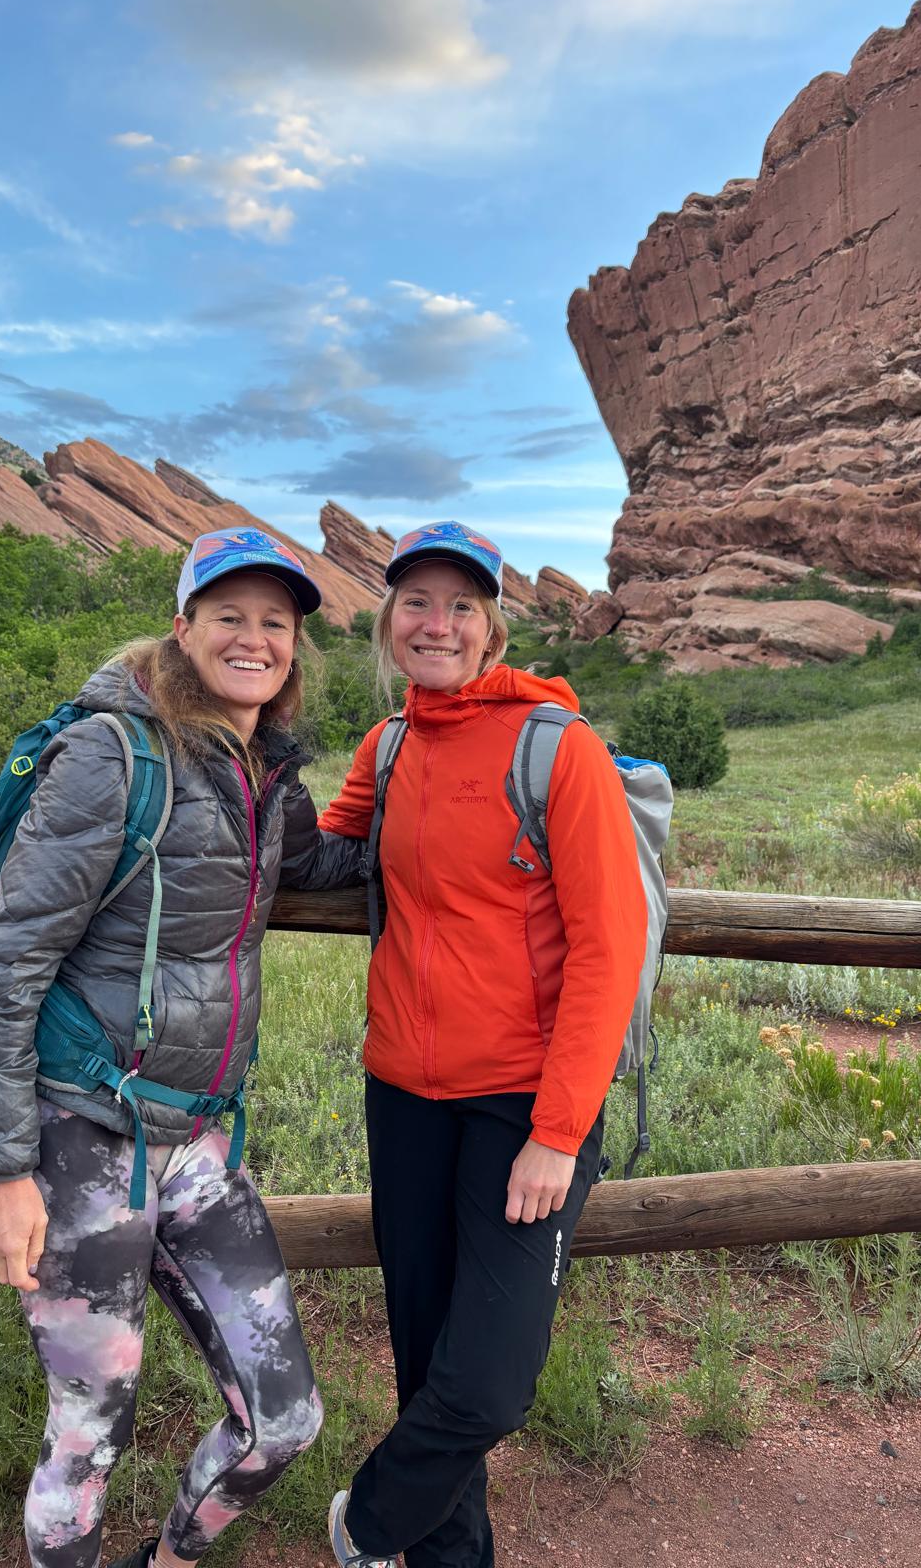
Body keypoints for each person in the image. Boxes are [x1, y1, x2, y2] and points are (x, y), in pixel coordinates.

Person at [0, 527, 358, 1568]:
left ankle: (172, 1558)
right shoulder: (112, 754)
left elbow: (312, 864)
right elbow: (5, 962)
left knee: (285, 1419)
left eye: (275, 622)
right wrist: (1, 1172)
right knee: (89, 1432)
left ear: (294, 647)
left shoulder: (263, 766)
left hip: (198, 1139)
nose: (253, 638)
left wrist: (455, 813)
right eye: (229, 615)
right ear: (184, 627)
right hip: (82, 1136)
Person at [316, 521, 649, 1568]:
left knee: (491, 1382)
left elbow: (608, 949)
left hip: (524, 1105)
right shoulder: (389, 746)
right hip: (404, 1096)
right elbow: (323, 849)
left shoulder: (557, 748)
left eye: (462, 605)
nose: (438, 624)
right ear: (388, 621)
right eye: (417, 602)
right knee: (426, 1352)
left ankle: (366, 1524)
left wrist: (559, 1131)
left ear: (492, 626)